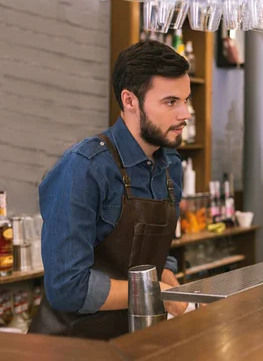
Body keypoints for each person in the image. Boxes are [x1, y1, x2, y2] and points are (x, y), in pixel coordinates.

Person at [29, 41, 190, 339]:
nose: (185, 113)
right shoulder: (84, 168)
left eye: (186, 100)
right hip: (72, 347)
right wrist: (157, 292)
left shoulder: (171, 166)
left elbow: (158, 256)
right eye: (171, 102)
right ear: (130, 100)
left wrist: (177, 293)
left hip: (134, 340)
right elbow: (68, 288)